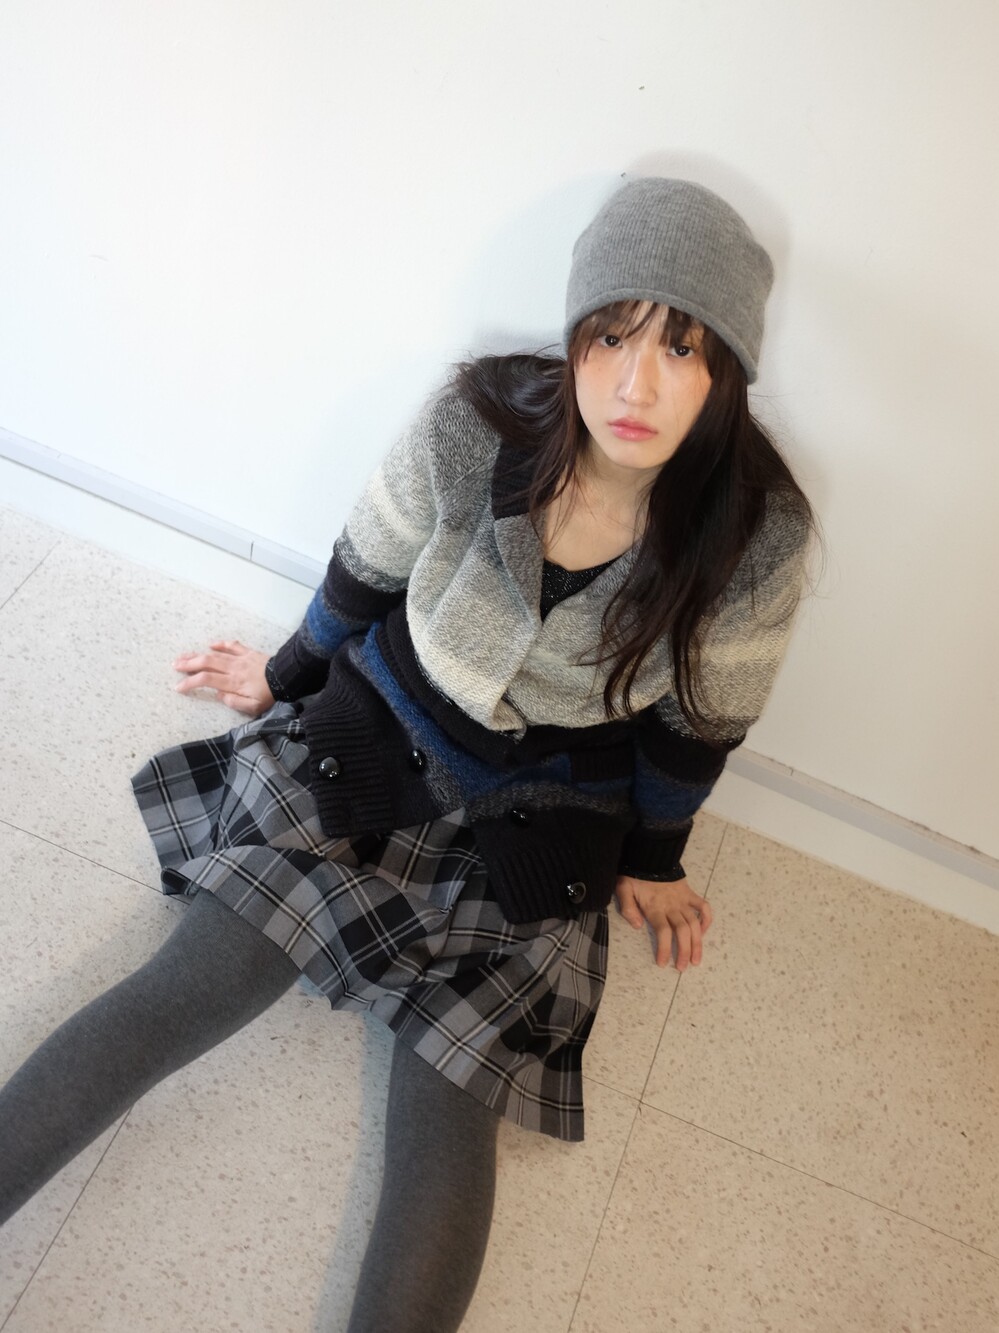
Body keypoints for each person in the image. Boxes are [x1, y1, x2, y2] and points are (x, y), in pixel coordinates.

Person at [0, 177, 813, 1330]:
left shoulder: (757, 535)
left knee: (448, 1114)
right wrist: (286, 674)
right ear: (574, 334)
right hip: (372, 741)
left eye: (681, 348)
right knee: (186, 989)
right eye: (611, 336)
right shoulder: (479, 421)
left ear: (727, 368)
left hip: (543, 823)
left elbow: (699, 723)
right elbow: (367, 563)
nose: (635, 384)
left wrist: (656, 857)